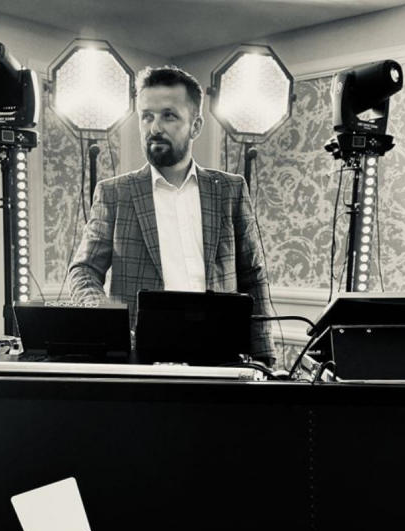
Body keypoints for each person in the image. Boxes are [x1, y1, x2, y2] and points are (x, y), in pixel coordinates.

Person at [68, 65, 275, 366]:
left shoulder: (230, 190)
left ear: (196, 126)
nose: (154, 128)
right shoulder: (114, 193)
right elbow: (83, 270)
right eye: (146, 116)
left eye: (169, 115)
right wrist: (106, 318)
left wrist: (264, 357)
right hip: (140, 360)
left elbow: (253, 276)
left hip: (221, 356)